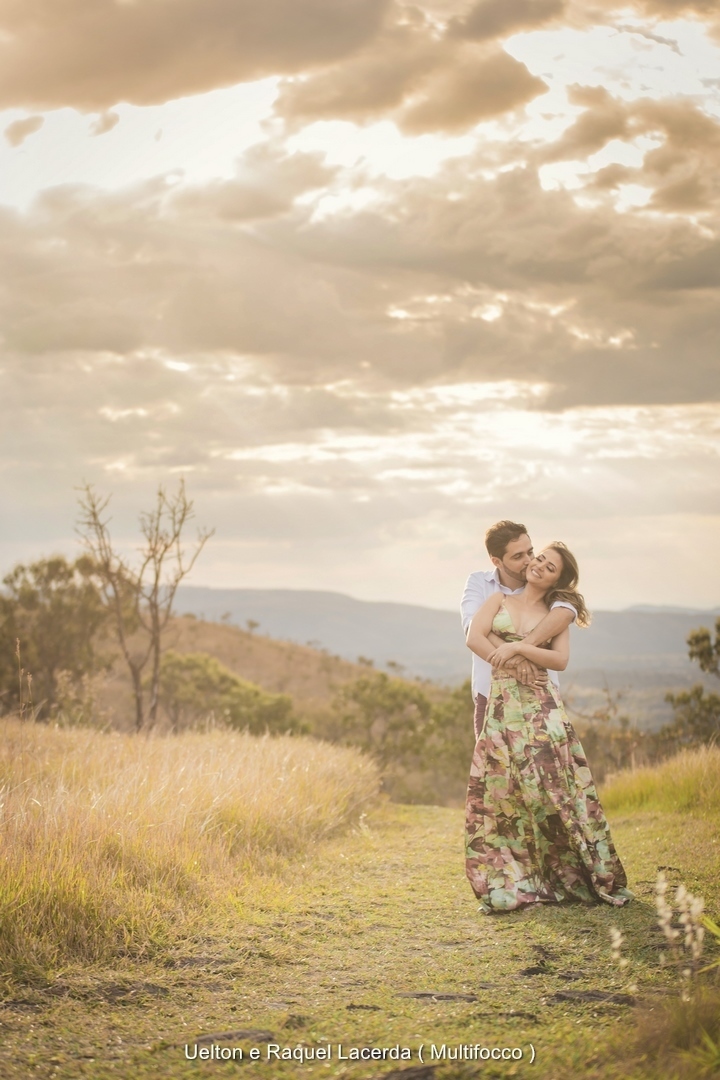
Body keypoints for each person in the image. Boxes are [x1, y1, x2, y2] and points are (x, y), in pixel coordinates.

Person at [464, 541, 632, 912]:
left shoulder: (555, 613)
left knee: (554, 791)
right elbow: (473, 637)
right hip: (503, 707)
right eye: (539, 558)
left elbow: (560, 660)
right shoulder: (499, 599)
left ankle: (569, 874)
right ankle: (512, 881)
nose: (538, 565)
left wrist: (517, 648)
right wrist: (514, 663)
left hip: (542, 710)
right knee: (503, 791)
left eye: (550, 566)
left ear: (558, 580)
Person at [461, 521, 577, 739]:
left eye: (531, 552)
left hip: (540, 694)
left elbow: (566, 611)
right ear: (497, 561)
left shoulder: (547, 591)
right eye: (518, 556)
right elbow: (472, 631)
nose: (528, 561)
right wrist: (515, 664)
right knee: (494, 760)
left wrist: (520, 647)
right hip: (491, 693)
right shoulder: (481, 584)